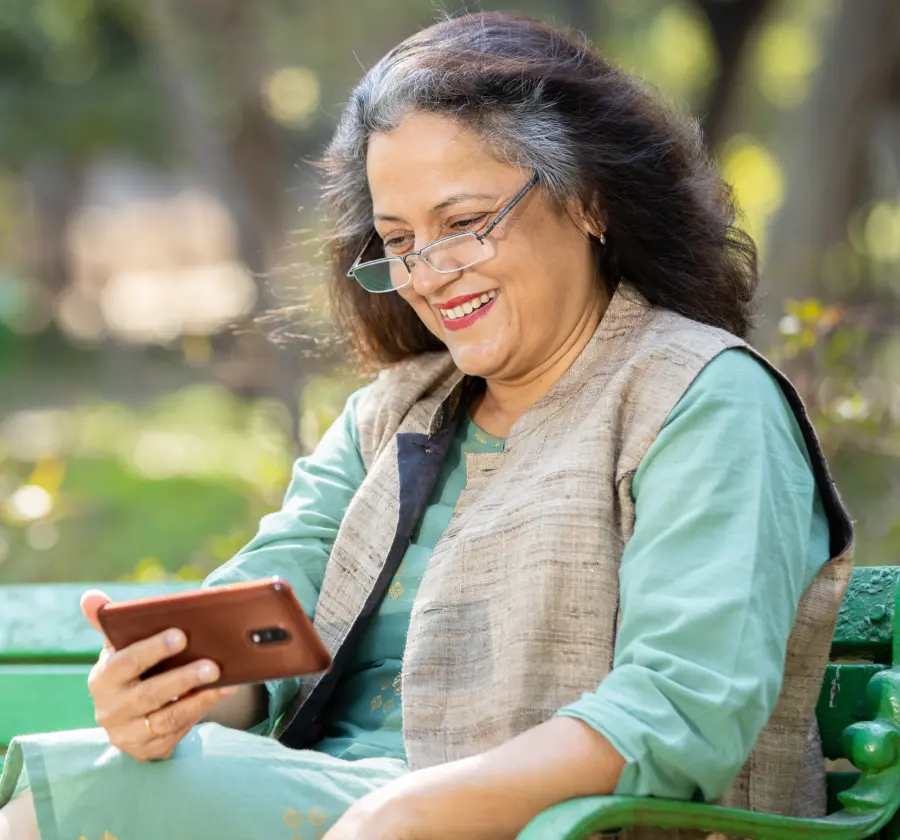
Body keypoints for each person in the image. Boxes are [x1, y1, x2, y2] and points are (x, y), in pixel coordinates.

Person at [0, 11, 853, 840]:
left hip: (545, 824)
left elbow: (679, 711)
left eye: (463, 224)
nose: (427, 273)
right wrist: (173, 689)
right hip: (341, 802)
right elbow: (266, 612)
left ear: (589, 200)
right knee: (100, 775)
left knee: (54, 811)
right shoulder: (393, 412)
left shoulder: (704, 398)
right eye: (398, 239)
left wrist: (409, 812)